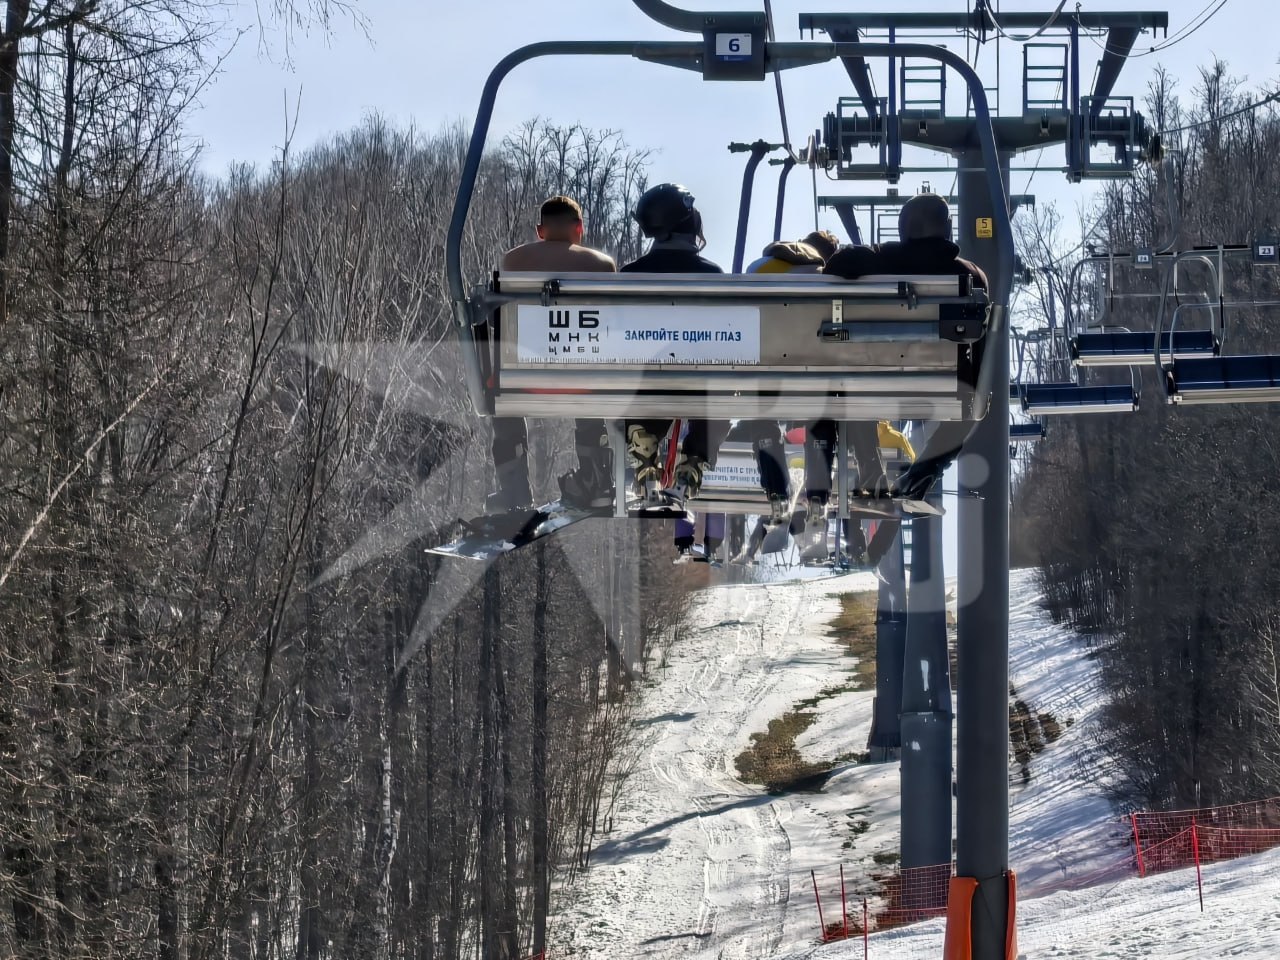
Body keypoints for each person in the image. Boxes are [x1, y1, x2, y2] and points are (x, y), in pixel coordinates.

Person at [823, 192, 989, 503]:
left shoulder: (877, 264)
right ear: (947, 229)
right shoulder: (972, 276)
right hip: (944, 389)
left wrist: (876, 251)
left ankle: (871, 469)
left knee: (849, 381)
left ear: (903, 230)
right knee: (973, 401)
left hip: (876, 386)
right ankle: (926, 468)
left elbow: (836, 265)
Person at [489, 195, 617, 512]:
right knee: (592, 366)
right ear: (580, 228)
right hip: (584, 383)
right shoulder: (601, 265)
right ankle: (595, 477)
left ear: (540, 231)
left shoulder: (513, 261)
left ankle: (514, 489)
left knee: (502, 390)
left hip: (522, 380)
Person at [620, 183, 731, 503]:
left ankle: (644, 447)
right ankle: (694, 461)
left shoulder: (629, 276)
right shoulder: (713, 276)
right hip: (699, 384)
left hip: (644, 384)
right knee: (715, 388)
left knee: (645, 381)